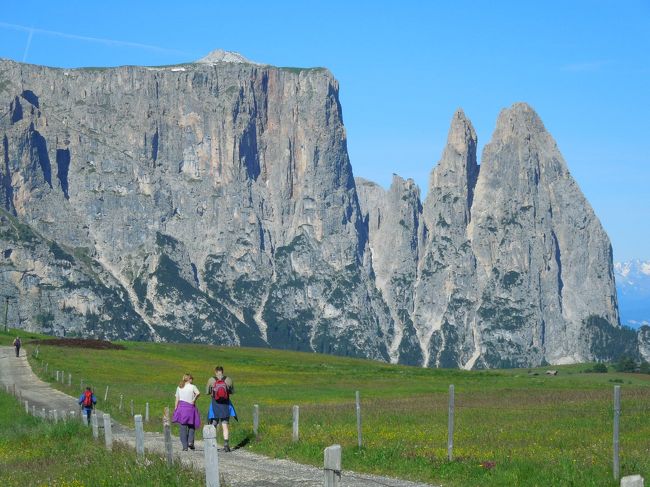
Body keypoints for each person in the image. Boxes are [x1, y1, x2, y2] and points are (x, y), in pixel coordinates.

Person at [206, 366, 234, 452]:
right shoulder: (228, 379)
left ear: (215, 372)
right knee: (225, 425)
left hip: (215, 404)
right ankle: (226, 444)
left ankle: (212, 444)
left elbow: (207, 392)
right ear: (222, 371)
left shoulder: (211, 380)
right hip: (225, 404)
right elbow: (232, 392)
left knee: (214, 424)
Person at [172, 373, 200, 451]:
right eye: (192, 379)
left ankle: (185, 447)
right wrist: (194, 400)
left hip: (181, 408)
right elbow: (198, 393)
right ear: (189, 379)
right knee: (191, 425)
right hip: (190, 408)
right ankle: (190, 441)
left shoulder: (179, 387)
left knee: (183, 427)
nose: (192, 380)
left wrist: (175, 408)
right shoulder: (192, 387)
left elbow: (177, 399)